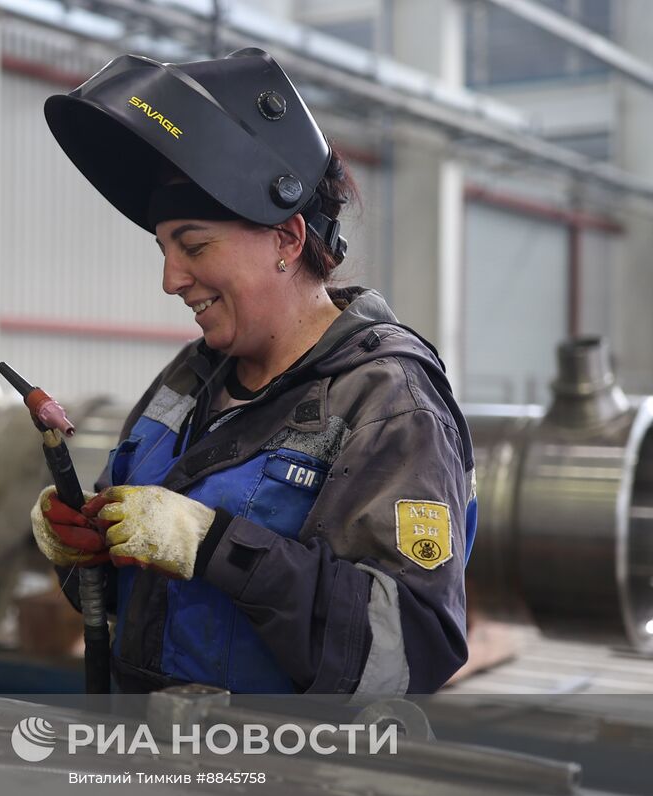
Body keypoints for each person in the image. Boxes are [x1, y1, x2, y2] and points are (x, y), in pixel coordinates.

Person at [29, 49, 476, 695]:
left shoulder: (387, 402)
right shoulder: (191, 377)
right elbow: (129, 600)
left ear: (287, 240)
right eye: (164, 249)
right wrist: (83, 546)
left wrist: (215, 547)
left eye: (194, 245)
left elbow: (405, 651)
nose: (170, 279)